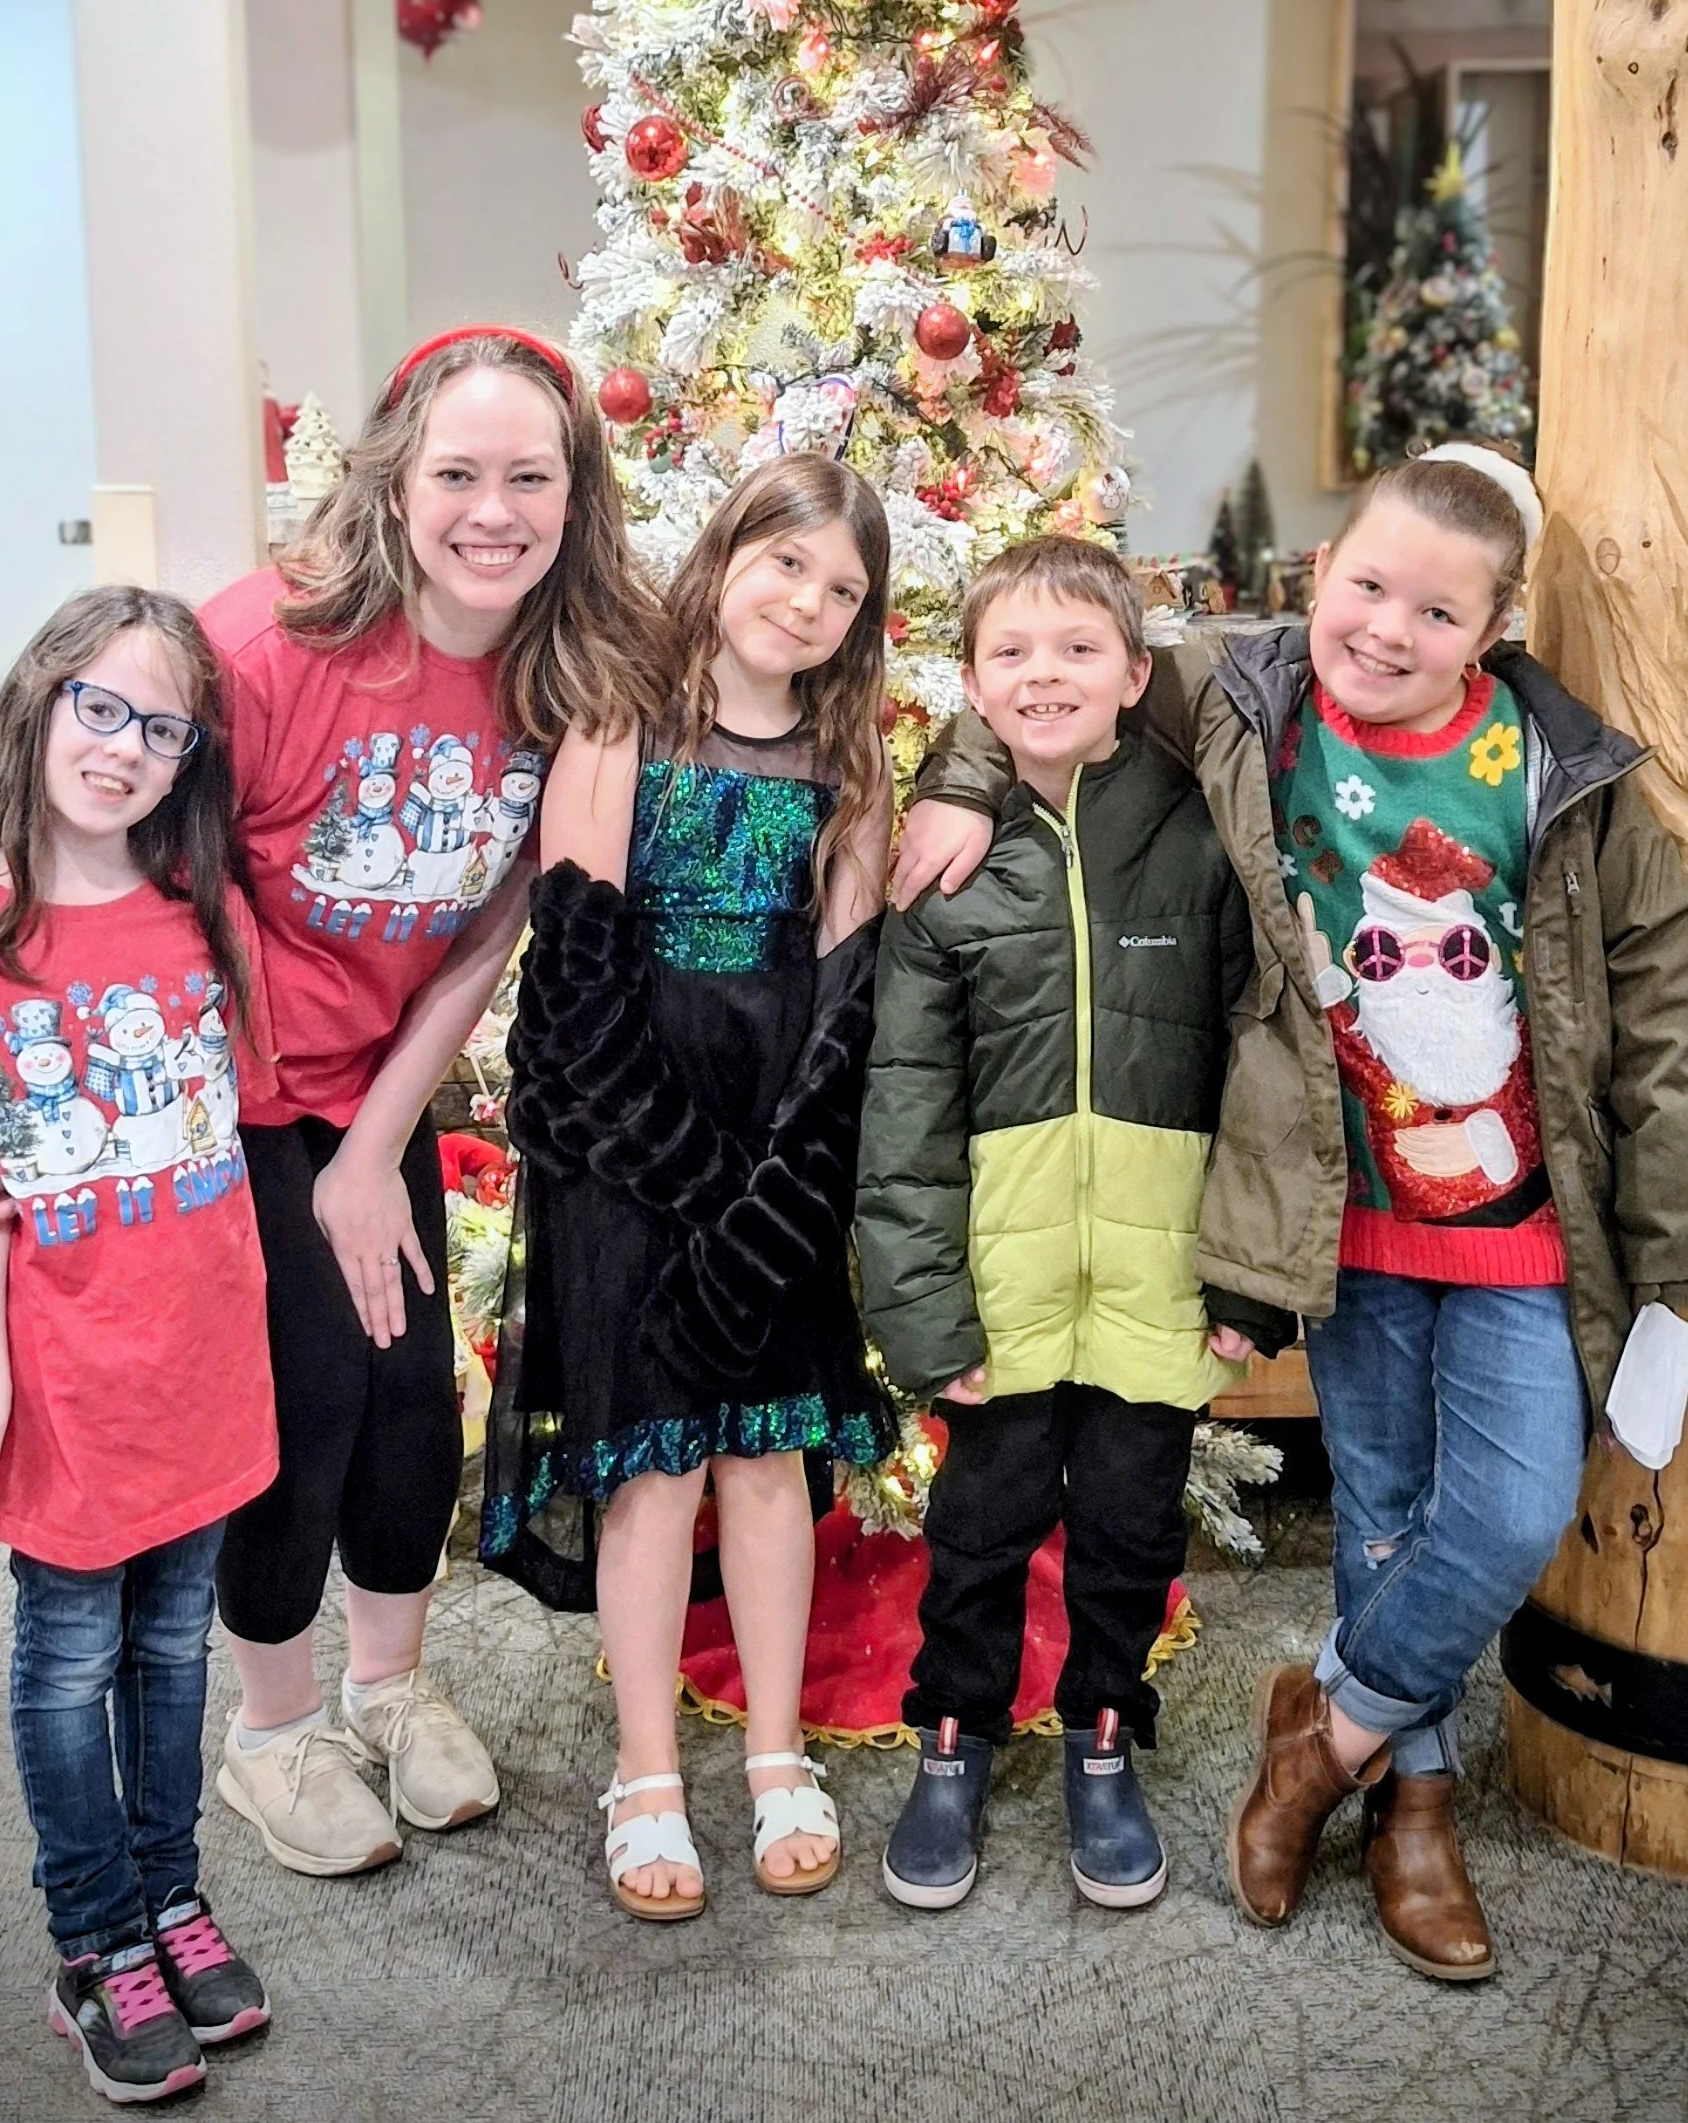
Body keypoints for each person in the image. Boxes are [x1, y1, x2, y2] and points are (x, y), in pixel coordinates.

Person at [894, 444, 1688, 1980]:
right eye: (1369, 584)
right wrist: (962, 776)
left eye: (1437, 611)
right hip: (1334, 1206)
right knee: (1384, 1517)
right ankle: (1421, 1807)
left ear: (1494, 624)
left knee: (1516, 1507)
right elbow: (1054, 680)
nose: (1388, 628)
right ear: (1323, 571)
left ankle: (1322, 1737)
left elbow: (1658, 1034)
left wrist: (1666, 1274)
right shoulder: (1238, 698)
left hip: (1521, 1214)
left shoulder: (1568, 773)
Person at [0, 329, 669, 1883]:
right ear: (392, 476)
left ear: (576, 493)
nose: (494, 509)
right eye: (458, 472)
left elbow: (490, 924)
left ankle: (388, 1685)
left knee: (409, 1400)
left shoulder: (570, 662)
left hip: (380, 1076)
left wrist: (378, 1141)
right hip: (220, 1097)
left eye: (532, 475)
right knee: (306, 1393)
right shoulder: (260, 649)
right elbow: (93, 882)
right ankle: (271, 1732)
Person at [0, 588, 277, 2105]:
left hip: (204, 1360)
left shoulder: (203, 908)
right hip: (65, 1372)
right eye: (97, 707)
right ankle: (95, 1938)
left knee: (178, 1647)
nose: (122, 744)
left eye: (159, 725)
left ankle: (170, 1897)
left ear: (187, 757)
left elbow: (223, 1133)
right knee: (68, 1659)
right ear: (40, 703)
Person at [484, 455, 897, 1920]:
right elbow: (575, 978)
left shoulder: (852, 766)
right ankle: (646, 1766)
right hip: (629, 1153)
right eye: (788, 563)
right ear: (724, 555)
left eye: (844, 588)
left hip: (773, 1168)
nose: (809, 600)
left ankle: (777, 1749)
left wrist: (778, 1183)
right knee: (654, 1467)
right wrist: (688, 1176)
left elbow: (845, 998)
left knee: (768, 1461)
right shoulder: (622, 725)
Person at [855, 535, 1259, 1914]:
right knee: (981, 1523)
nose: (1045, 674)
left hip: (1161, 1270)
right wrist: (919, 1309)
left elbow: (1259, 1070)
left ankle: (1103, 1731)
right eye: (1011, 653)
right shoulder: (945, 860)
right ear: (968, 682)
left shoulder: (1203, 830)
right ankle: (953, 1732)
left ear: (1135, 673)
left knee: (1133, 1528)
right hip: (1003, 1272)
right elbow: (904, 1109)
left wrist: (1250, 1276)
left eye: (1079, 649)